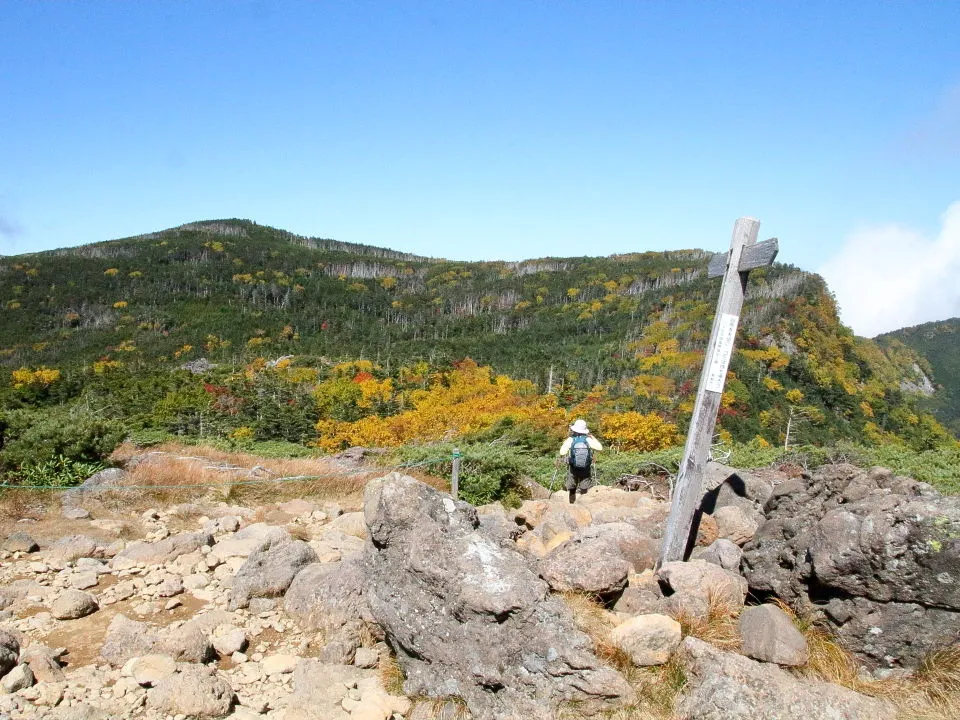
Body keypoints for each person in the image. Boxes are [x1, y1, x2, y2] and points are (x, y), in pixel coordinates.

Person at [558, 419, 602, 504]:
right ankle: (584, 505)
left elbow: (562, 452)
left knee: (572, 487)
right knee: (584, 488)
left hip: (573, 468)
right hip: (585, 468)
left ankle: (572, 504)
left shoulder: (571, 439)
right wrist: (592, 437)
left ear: (574, 430)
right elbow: (600, 447)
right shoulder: (588, 440)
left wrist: (566, 443)